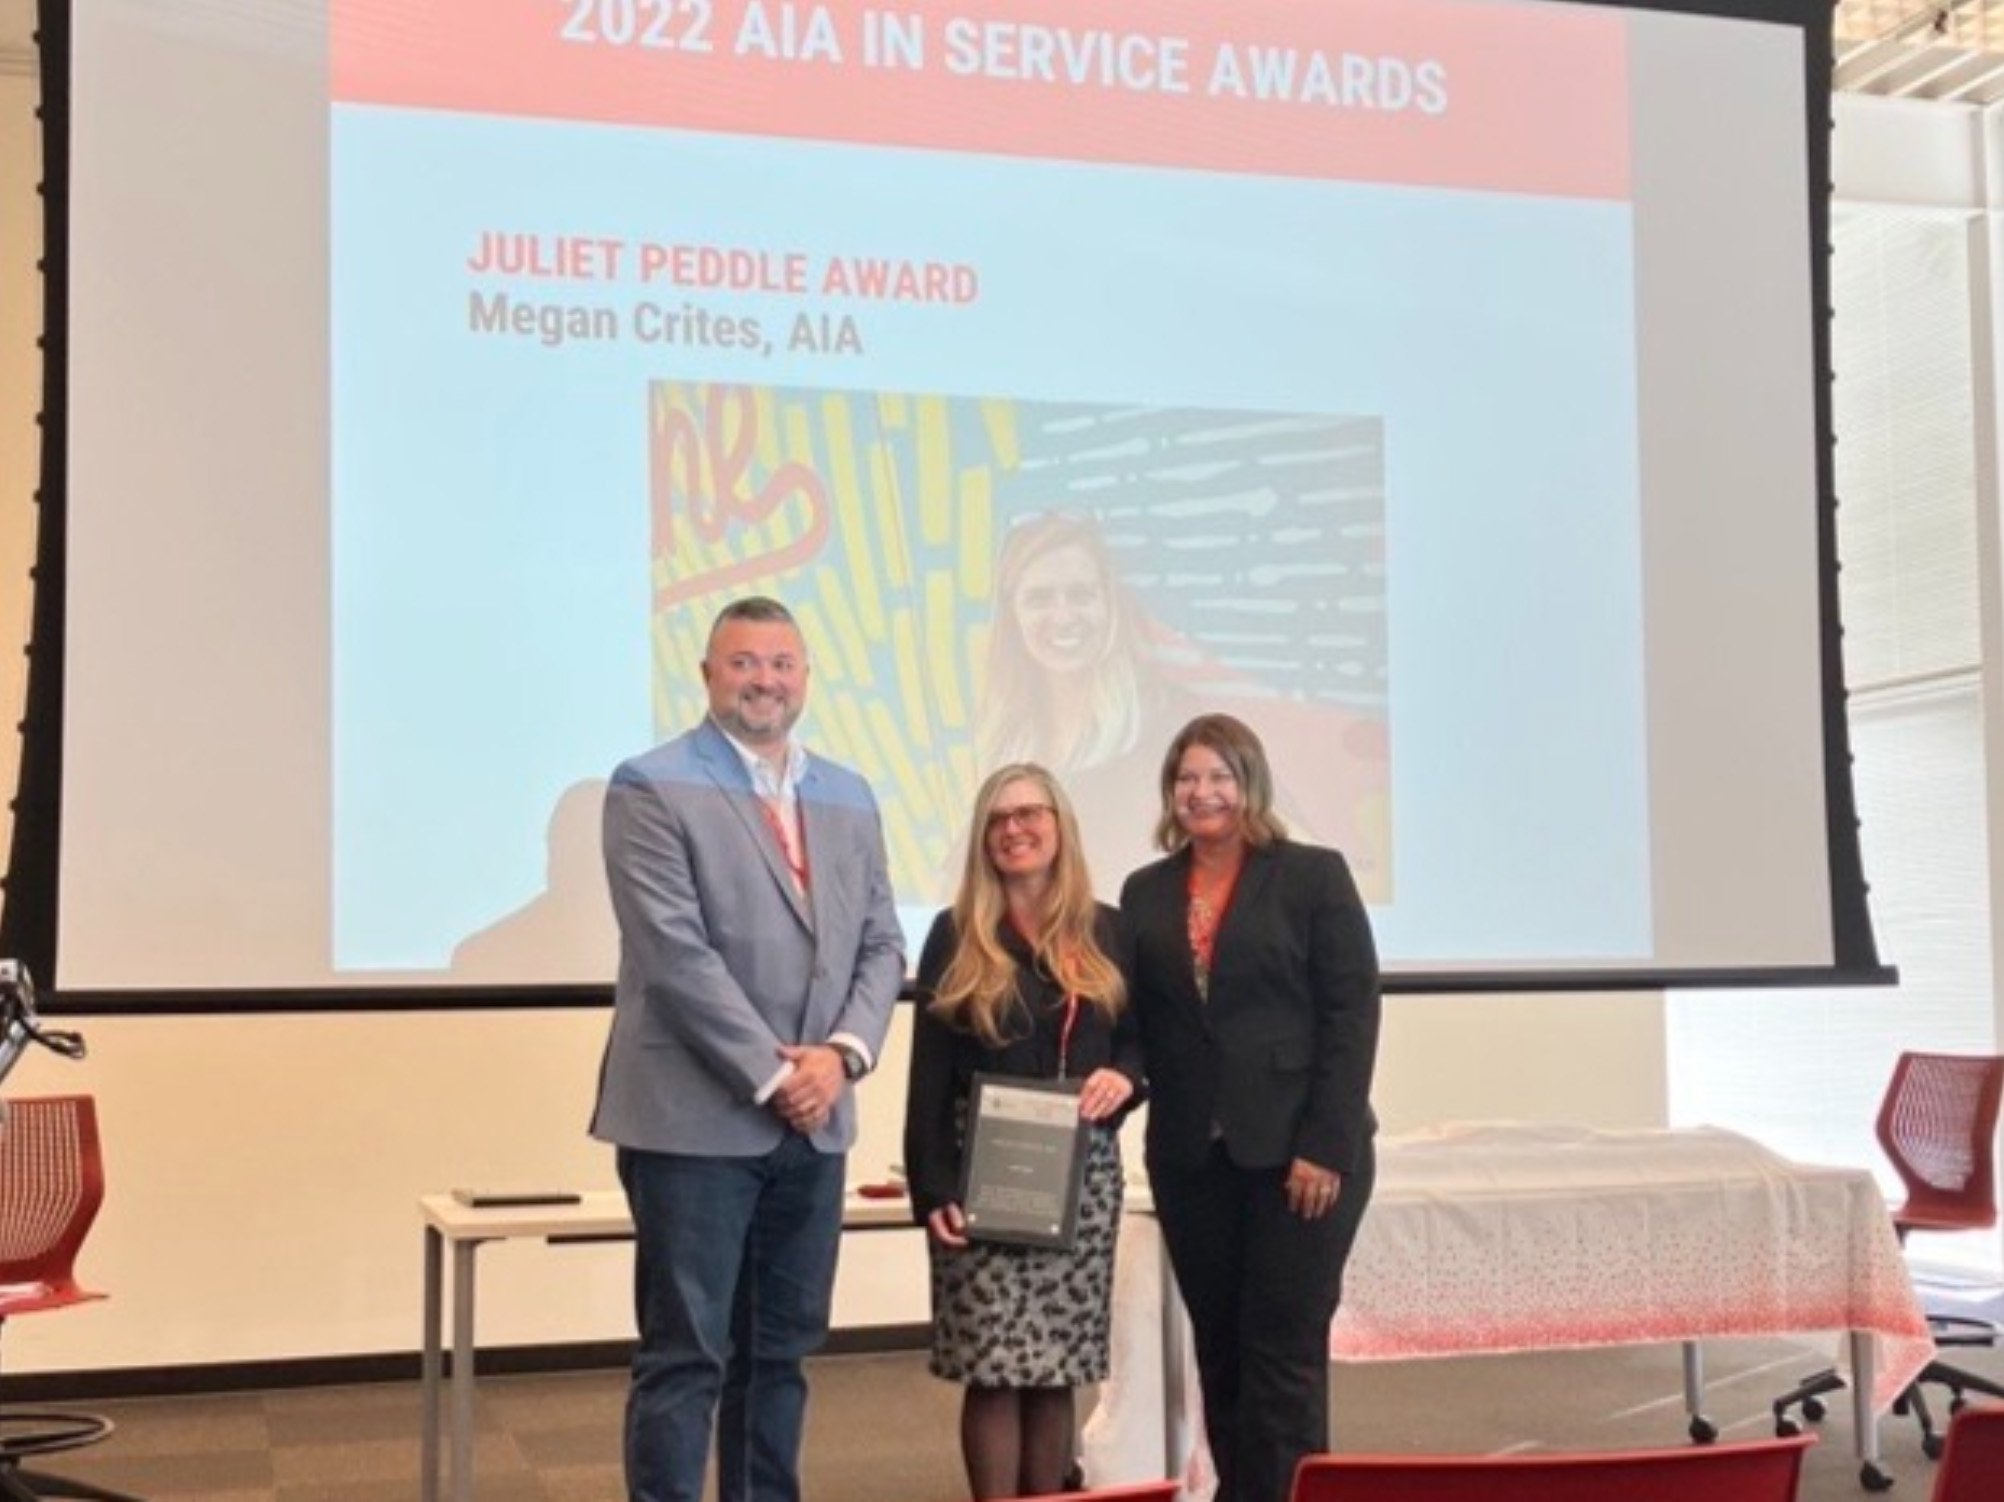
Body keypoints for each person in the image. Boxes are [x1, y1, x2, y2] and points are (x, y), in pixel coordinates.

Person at [590, 596, 906, 1502]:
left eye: (781, 663)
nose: (763, 679)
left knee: (782, 1353)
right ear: (707, 675)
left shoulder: (846, 791)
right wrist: (775, 1074)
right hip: (693, 1125)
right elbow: (673, 953)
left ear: (805, 676)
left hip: (816, 1123)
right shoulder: (648, 784)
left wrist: (839, 1056)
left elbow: (882, 941)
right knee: (686, 1355)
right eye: (743, 662)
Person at [1119, 713, 1381, 1502]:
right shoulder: (1145, 891)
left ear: (1250, 784)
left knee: (1283, 1355)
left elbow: (1352, 1013)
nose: (1202, 793)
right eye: (1187, 778)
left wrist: (1326, 1145)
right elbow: (1139, 1024)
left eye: (1219, 776)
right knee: (1223, 1354)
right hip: (1195, 1162)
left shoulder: (1312, 876)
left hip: (1301, 1159)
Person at [904, 763, 1145, 1499]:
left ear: (1059, 825)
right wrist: (931, 1188)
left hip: (1080, 1173)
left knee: (1056, 1367)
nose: (1015, 829)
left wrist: (1128, 1078)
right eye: (999, 819)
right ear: (984, 838)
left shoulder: (1108, 929)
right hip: (985, 1173)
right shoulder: (956, 933)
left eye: (1029, 813)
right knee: (993, 1366)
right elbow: (929, 1074)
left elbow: (1142, 1039)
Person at [975, 513, 1190, 891]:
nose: (1063, 616)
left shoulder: (1170, 721)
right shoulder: (1000, 734)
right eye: (1039, 598)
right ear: (1012, 615)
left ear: (1110, 604)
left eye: (1081, 595)